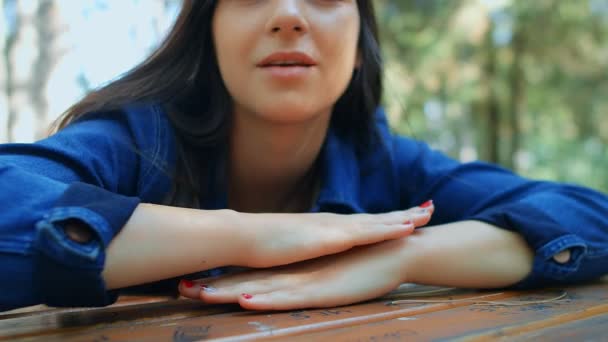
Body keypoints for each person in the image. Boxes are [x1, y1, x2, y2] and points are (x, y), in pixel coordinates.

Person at [1, 0, 606, 312]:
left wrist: (402, 256)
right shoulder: (139, 139)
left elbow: (584, 215)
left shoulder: (385, 164)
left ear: (361, 47)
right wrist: (244, 236)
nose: (288, 15)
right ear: (207, 38)